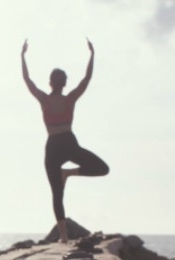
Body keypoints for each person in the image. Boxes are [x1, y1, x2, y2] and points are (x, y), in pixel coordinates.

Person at [22, 38, 109, 243]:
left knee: (56, 194)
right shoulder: (70, 99)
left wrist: (22, 56)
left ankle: (64, 237)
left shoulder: (44, 99)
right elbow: (86, 79)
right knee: (102, 168)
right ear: (64, 83)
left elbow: (27, 80)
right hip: (69, 143)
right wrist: (92, 55)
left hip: (53, 146)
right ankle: (69, 173)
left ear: (51, 82)